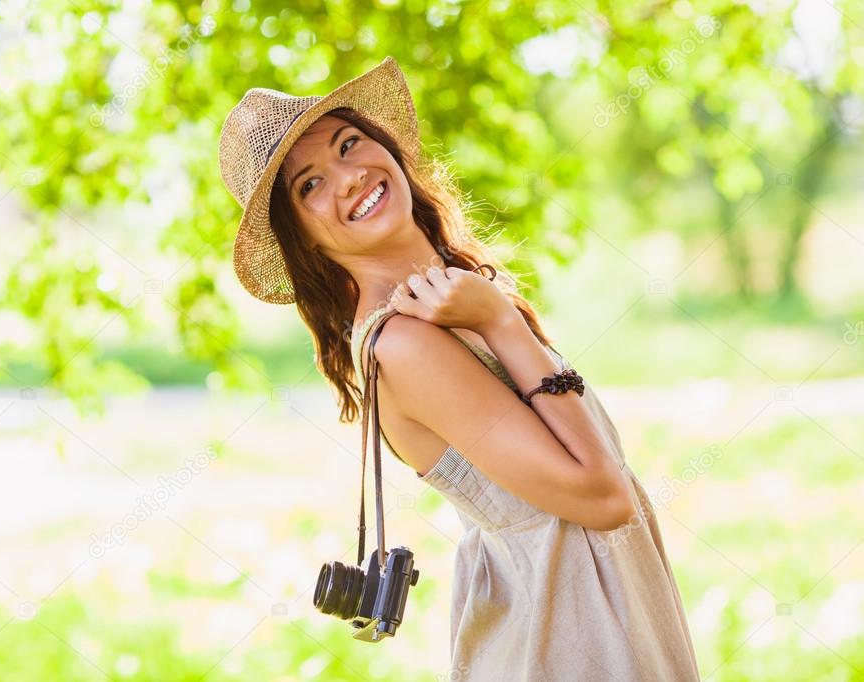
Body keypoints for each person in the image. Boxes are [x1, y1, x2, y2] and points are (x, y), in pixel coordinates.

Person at [218, 56, 701, 681]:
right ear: (302, 238)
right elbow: (603, 497)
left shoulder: (450, 294)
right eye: (309, 185)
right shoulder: (406, 346)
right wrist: (501, 322)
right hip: (566, 632)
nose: (346, 178)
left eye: (349, 144)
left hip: (600, 603)